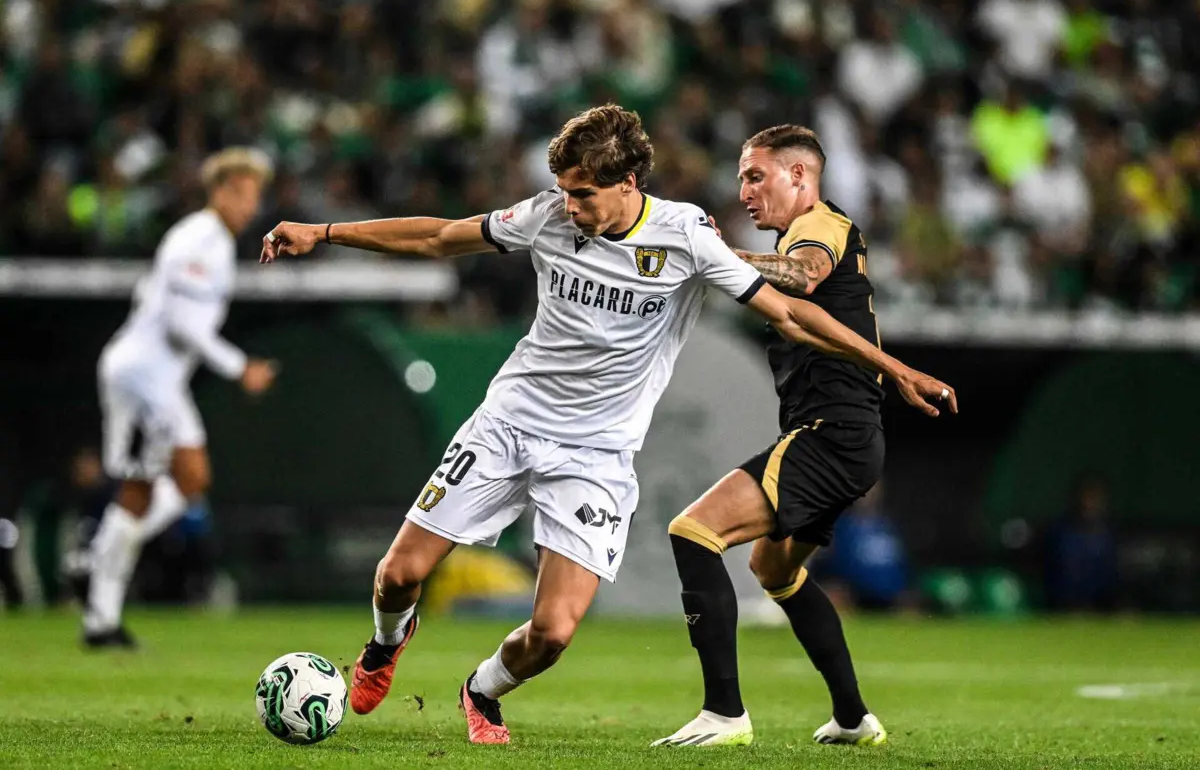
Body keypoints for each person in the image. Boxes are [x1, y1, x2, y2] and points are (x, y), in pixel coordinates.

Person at [261, 105, 954, 746]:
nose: (571, 206)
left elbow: (794, 312)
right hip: (507, 423)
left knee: (555, 633)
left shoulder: (685, 235)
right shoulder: (546, 218)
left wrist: (892, 369)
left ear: (629, 182)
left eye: (584, 193)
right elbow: (441, 237)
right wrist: (323, 232)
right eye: (563, 190)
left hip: (594, 455)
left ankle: (482, 689)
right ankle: (385, 644)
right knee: (397, 575)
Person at [655, 125, 956, 748]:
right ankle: (852, 717)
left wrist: (722, 258)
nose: (743, 190)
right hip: (848, 437)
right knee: (773, 569)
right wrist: (897, 370)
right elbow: (806, 312)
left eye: (755, 175)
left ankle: (723, 714)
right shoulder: (817, 228)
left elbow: (801, 276)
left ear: (800, 176)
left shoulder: (819, 226)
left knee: (694, 530)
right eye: (741, 177)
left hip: (832, 433)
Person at [83, 148, 278, 648]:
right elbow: (182, 323)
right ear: (222, 190)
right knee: (191, 477)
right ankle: (95, 559)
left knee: (139, 490)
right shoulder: (201, 241)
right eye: (245, 193)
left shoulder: (202, 239)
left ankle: (100, 616)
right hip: (148, 375)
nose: (251, 207)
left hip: (146, 373)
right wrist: (241, 368)